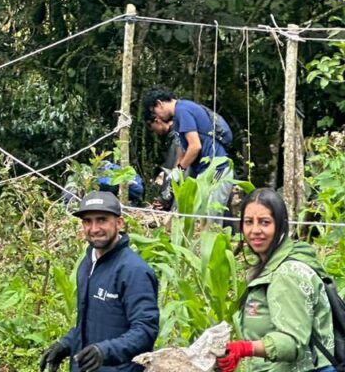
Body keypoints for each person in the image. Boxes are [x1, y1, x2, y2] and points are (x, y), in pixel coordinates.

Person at [216, 188, 334, 372]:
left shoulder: (287, 274)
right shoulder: (269, 267)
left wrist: (245, 348)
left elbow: (292, 342)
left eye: (264, 222)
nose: (255, 230)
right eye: (248, 222)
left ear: (280, 225)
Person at [40, 192, 159, 372]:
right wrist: (66, 344)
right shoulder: (87, 263)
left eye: (102, 220)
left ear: (119, 223)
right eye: (88, 221)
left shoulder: (134, 271)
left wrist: (105, 351)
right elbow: (90, 322)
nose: (94, 228)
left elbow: (145, 331)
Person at [142, 88, 235, 218]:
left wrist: (179, 170)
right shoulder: (179, 114)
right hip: (205, 172)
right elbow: (183, 149)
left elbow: (195, 146)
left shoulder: (182, 110)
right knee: (198, 217)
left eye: (155, 112)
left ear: (159, 104)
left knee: (210, 218)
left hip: (216, 169)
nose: (157, 117)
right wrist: (174, 174)